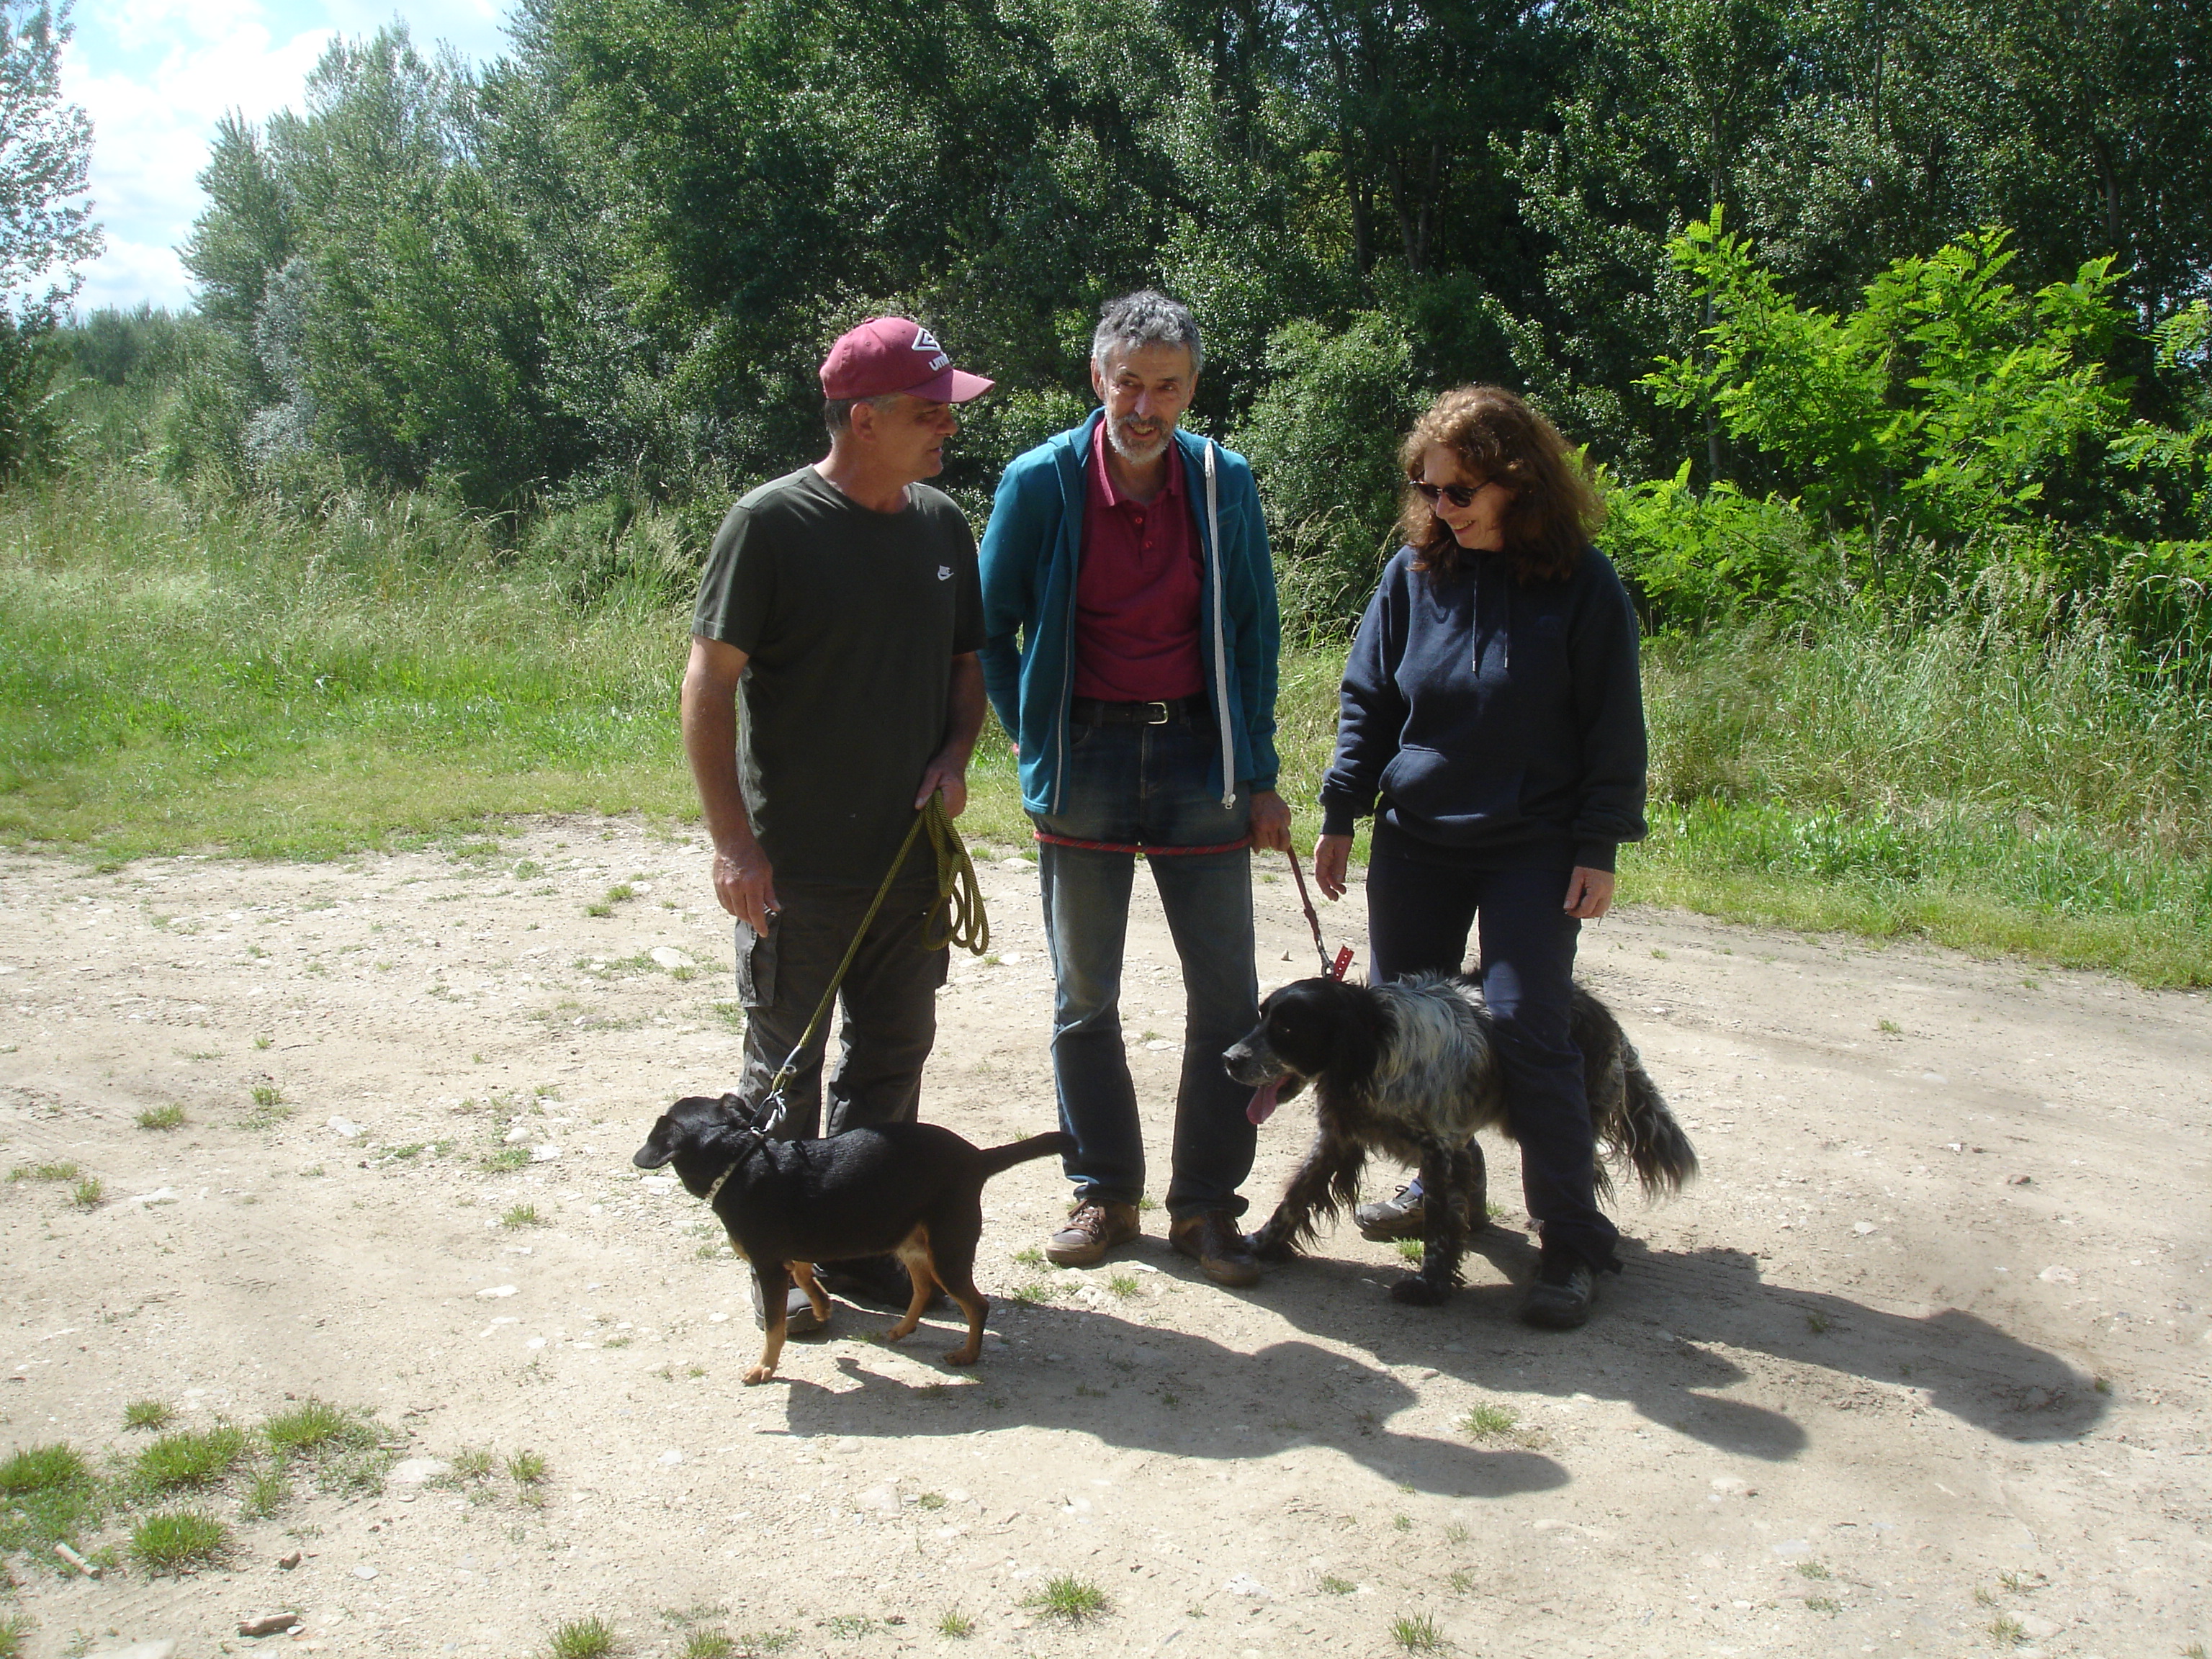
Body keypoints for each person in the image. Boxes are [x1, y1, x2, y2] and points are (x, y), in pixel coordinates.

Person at [681, 317, 993, 1331]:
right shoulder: (770, 524)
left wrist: (955, 756)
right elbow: (708, 686)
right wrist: (735, 844)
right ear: (864, 419)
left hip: (907, 867)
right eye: (929, 412)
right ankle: (785, 1269)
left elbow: (967, 667)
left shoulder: (943, 525)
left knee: (890, 1067)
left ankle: (862, 1253)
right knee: (784, 1077)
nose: (949, 428)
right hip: (797, 869)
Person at [1313, 385, 1647, 1329]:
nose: (1440, 507)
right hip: (1418, 838)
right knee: (1411, 1034)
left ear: (1517, 482)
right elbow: (1369, 699)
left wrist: (1598, 845)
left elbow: (1615, 728)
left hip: (1533, 845)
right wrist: (1341, 810)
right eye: (1427, 490)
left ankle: (1569, 1238)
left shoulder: (1586, 586)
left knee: (1529, 1028)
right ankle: (1441, 1193)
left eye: (1459, 491)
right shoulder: (1412, 576)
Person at [979, 289, 1291, 1287]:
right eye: (1129, 384)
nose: (1146, 407)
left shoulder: (1224, 481)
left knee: (1227, 998)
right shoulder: (1040, 481)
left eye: (1167, 386)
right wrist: (1031, 733)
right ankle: (1104, 1193)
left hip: (1203, 755)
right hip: (1086, 757)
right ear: (1097, 379)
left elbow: (1254, 632)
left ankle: (1206, 1207)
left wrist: (1261, 774)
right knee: (1085, 995)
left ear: (1192, 389)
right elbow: (987, 626)